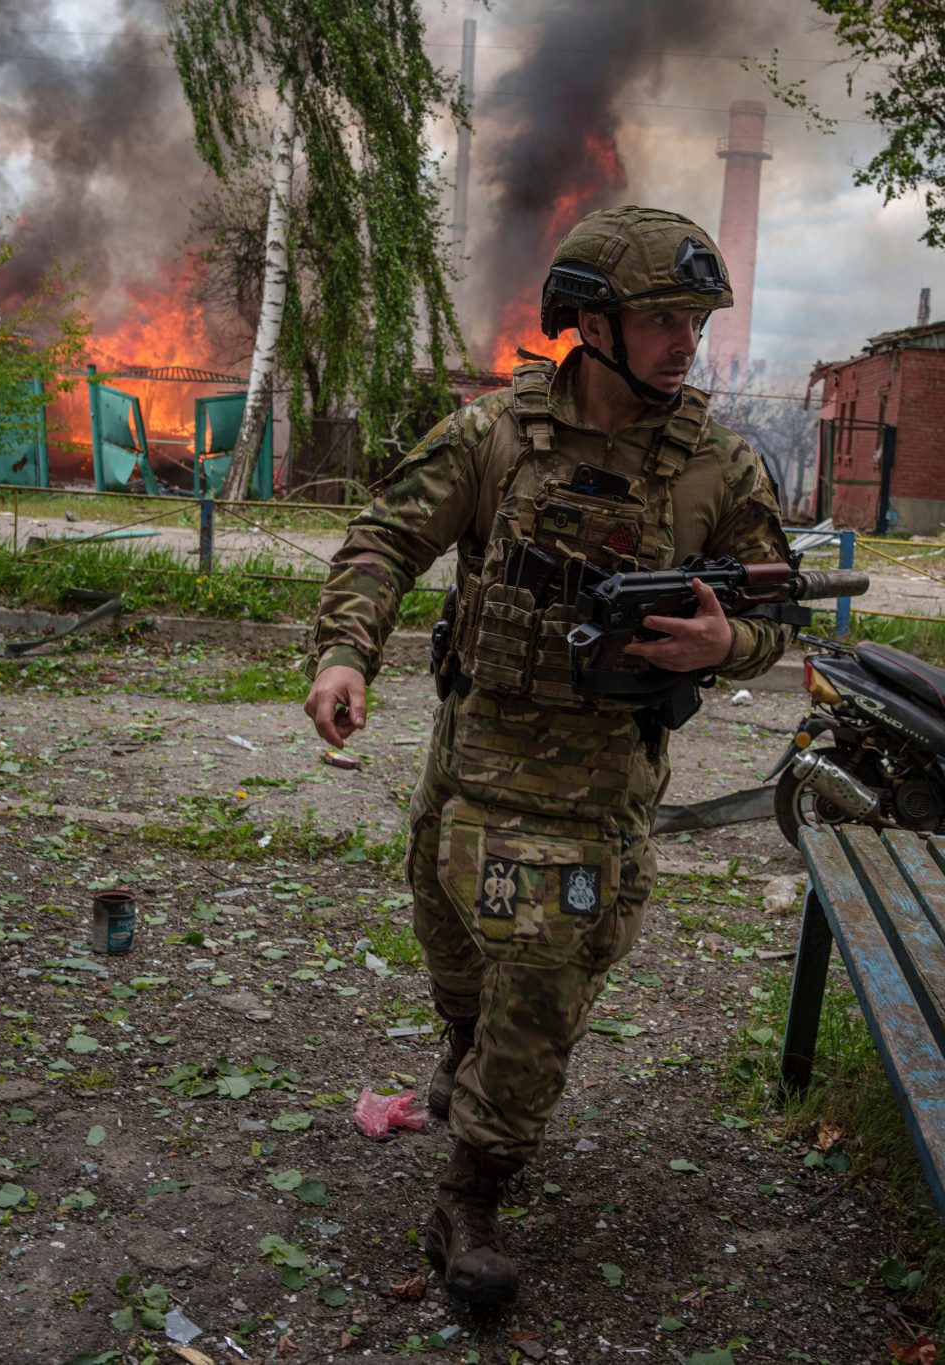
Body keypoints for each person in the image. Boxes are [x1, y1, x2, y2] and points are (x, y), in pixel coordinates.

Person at [301, 206, 793, 1307]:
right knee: (453, 944)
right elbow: (387, 535)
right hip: (471, 759)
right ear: (589, 322)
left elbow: (779, 612)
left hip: (597, 787)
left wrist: (729, 642)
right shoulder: (498, 435)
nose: (685, 342)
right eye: (663, 318)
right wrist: (346, 654)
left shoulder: (716, 467)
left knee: (541, 981)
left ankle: (473, 1192)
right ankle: (460, 1050)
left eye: (695, 321)